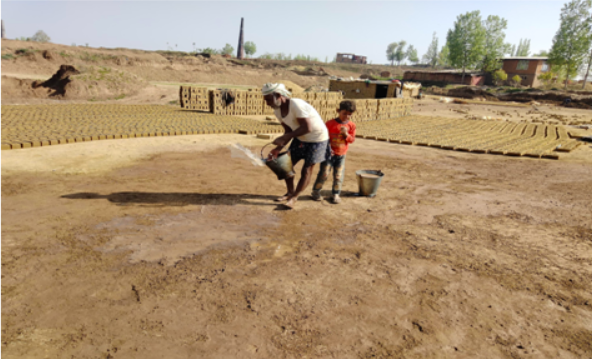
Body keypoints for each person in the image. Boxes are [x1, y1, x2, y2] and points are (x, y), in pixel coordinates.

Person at [262, 83, 330, 209]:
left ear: (278, 95)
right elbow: (288, 131)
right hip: (300, 138)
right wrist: (277, 149)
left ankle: (295, 197)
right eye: (265, 100)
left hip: (317, 139)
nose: (267, 103)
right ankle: (290, 192)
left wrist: (285, 137)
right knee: (285, 166)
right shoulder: (277, 110)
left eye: (269, 99)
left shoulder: (296, 104)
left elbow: (307, 128)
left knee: (306, 169)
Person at [311, 100, 357, 204]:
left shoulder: (351, 126)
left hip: (341, 155)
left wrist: (346, 134)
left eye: (349, 114)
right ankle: (316, 192)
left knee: (338, 175)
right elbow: (324, 138)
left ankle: (336, 194)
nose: (346, 116)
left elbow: (352, 140)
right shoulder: (330, 123)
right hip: (328, 155)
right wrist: (327, 149)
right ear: (338, 111)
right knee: (324, 174)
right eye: (344, 113)